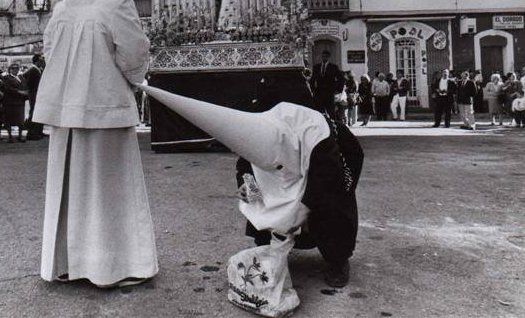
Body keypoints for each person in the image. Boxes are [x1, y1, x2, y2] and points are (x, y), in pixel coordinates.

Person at [142, 84, 364, 289]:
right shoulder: (258, 130)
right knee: (259, 197)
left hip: (337, 159)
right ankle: (267, 246)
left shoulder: (318, 137)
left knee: (331, 205)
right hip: (287, 164)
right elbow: (245, 164)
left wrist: (299, 213)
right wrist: (246, 184)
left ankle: (338, 258)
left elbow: (323, 182)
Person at [34, 0, 158, 287]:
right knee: (108, 191)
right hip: (105, 110)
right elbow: (135, 57)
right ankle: (113, 267)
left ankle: (69, 264)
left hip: (66, 115)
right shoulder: (116, 2)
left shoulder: (62, 9)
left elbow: (50, 55)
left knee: (71, 189)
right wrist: (128, 81)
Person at [309, 51, 344, 117]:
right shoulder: (316, 67)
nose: (324, 58)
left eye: (326, 56)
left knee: (331, 112)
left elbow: (341, 78)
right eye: (323, 56)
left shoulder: (333, 67)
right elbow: (312, 79)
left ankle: (333, 126)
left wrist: (338, 89)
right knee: (318, 112)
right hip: (319, 93)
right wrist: (313, 90)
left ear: (328, 57)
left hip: (329, 93)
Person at [1, 63, 29, 143]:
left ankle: (20, 136)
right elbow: (7, 88)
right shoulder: (6, 78)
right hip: (10, 102)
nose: (15, 70)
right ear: (10, 69)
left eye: (17, 68)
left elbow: (25, 86)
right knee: (9, 120)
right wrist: (19, 92)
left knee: (20, 120)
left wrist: (26, 93)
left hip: (20, 102)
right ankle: (10, 136)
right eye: (13, 68)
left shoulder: (21, 77)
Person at [23, 54, 46, 140]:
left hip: (37, 94)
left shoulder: (38, 70)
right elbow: (24, 78)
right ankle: (31, 133)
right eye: (40, 61)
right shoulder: (32, 70)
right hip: (34, 94)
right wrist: (29, 90)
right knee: (33, 112)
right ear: (36, 61)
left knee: (38, 112)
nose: (42, 62)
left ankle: (38, 131)